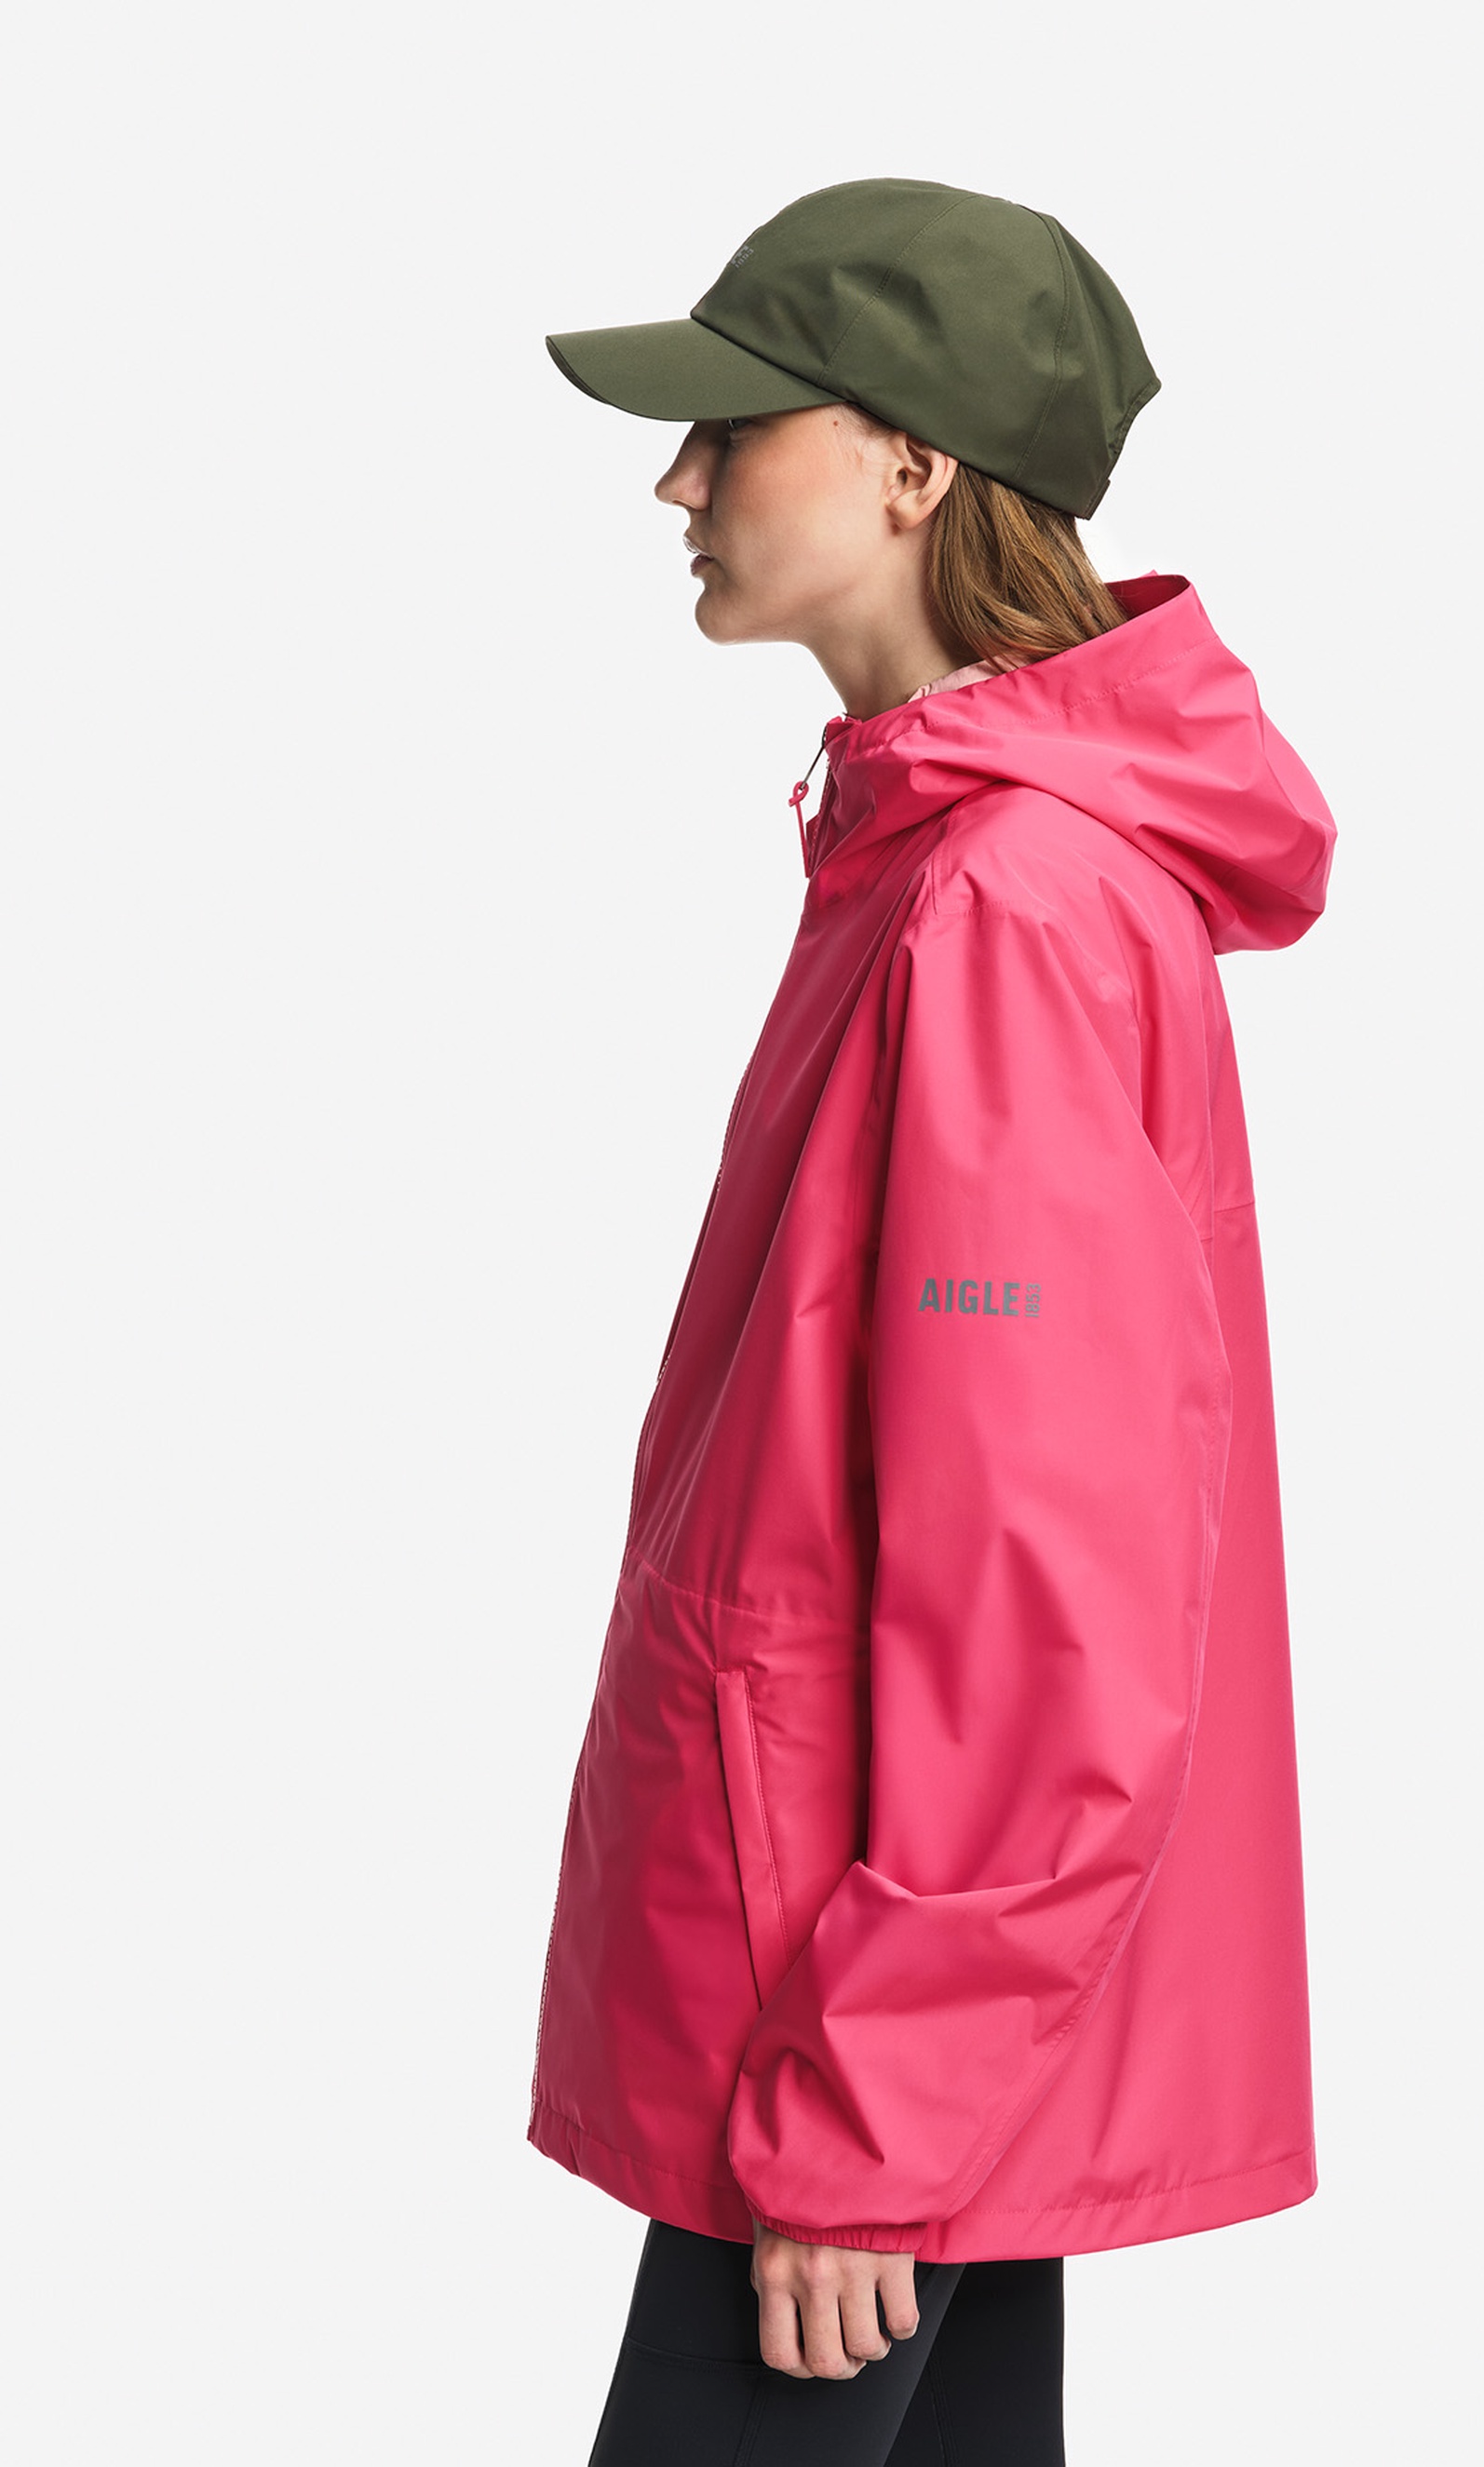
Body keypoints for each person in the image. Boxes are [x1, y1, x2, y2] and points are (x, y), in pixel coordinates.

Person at [531, 177, 1337, 2464]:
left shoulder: (1002, 903)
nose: (677, 482)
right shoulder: (938, 859)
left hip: (855, 2006)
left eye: (731, 425)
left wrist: (875, 2094)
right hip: (867, 1981)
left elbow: (1048, 1582)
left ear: (909, 463)